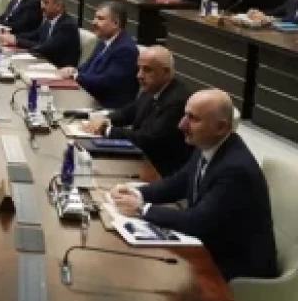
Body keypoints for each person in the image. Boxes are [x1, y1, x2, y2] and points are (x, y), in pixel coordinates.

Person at [111, 89, 278, 281]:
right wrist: (137, 192)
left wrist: (142, 209)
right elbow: (179, 182)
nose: (181, 125)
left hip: (235, 268)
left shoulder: (235, 170)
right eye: (185, 115)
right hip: (210, 246)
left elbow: (196, 222)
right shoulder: (210, 144)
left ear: (221, 127)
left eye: (193, 119)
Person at [83, 46, 193, 177]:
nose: (139, 75)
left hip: (159, 171)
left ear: (166, 72)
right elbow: (129, 112)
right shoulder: (153, 88)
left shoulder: (177, 101)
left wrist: (107, 130)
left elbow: (148, 139)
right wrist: (105, 119)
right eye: (139, 68)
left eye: (147, 70)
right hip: (140, 158)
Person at [57, 1, 139, 109]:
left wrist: (75, 76)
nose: (94, 22)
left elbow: (106, 82)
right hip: (90, 98)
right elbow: (87, 67)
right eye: (95, 18)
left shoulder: (126, 50)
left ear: (115, 23)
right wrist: (73, 70)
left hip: (107, 108)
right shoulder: (103, 41)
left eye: (100, 19)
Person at [0, 0, 80, 68]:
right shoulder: (49, 20)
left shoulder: (67, 26)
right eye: (42, 2)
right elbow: (34, 35)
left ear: (58, 6)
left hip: (59, 69)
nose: (42, 6)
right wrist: (13, 37)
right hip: (44, 62)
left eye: (46, 3)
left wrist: (17, 41)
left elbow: (45, 47)